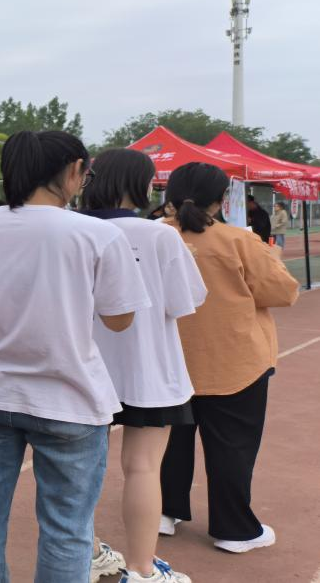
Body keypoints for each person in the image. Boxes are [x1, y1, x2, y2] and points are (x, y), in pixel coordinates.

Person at [0, 130, 150, 583]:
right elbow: (119, 319)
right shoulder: (98, 234)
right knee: (67, 526)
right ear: (74, 169)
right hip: (69, 397)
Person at [80, 150, 207, 583]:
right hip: (147, 367)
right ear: (135, 183)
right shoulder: (159, 235)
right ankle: (141, 570)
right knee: (143, 467)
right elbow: (184, 301)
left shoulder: (72, 228)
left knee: (76, 470)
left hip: (83, 367)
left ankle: (88, 553)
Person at [159, 163, 299, 554]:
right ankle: (233, 529)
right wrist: (271, 257)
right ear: (222, 199)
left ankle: (163, 511)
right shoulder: (239, 240)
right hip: (233, 361)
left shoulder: (153, 236)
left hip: (167, 360)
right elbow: (282, 292)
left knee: (165, 442)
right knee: (232, 447)